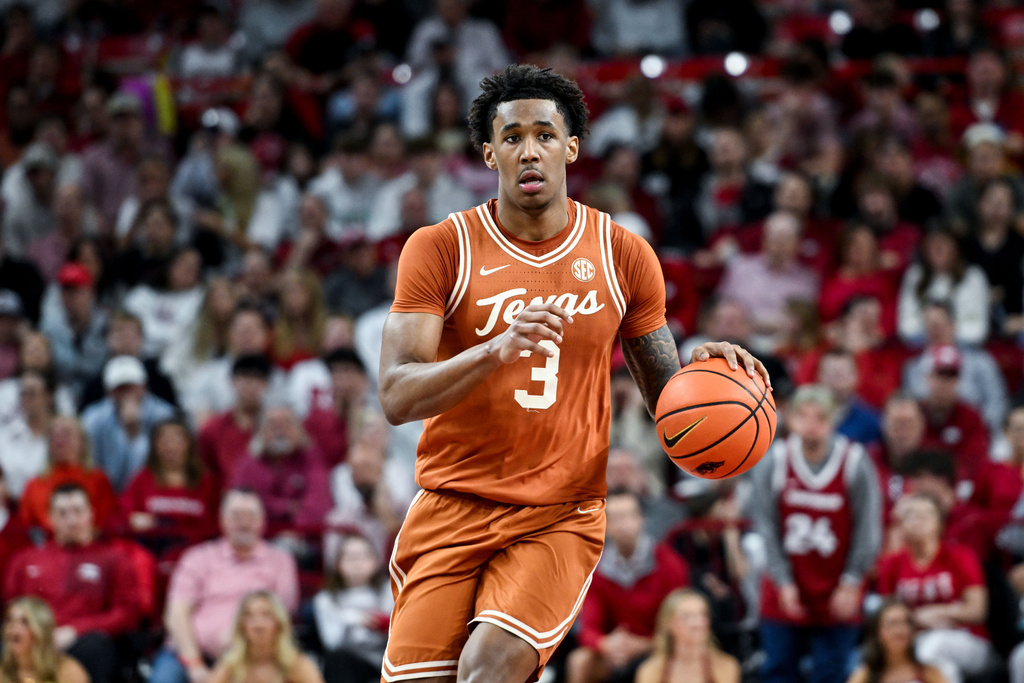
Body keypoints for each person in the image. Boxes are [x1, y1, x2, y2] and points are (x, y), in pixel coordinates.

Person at [377, 64, 769, 683]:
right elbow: (397, 394)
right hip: (452, 503)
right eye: (511, 138)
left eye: (545, 135)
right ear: (489, 154)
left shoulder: (623, 254)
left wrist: (710, 379)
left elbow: (670, 401)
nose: (529, 150)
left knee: (486, 670)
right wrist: (492, 351)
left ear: (572, 148)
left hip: (560, 510)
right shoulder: (441, 248)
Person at [751, 385, 882, 683]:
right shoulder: (775, 460)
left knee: (831, 673)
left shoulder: (854, 461)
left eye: (820, 417)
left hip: (837, 584)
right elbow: (766, 528)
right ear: (791, 418)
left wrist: (852, 581)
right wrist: (783, 581)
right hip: (786, 584)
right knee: (778, 671)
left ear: (834, 420)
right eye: (804, 416)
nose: (812, 425)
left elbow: (868, 528)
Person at [150, 489, 299, 683]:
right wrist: (195, 664)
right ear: (222, 520)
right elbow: (176, 614)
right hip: (188, 655)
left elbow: (282, 616)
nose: (244, 522)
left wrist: (240, 640)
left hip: (252, 657)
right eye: (236, 515)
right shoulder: (197, 557)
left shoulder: (280, 561)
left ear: (262, 521)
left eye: (250, 515)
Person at [4, 483, 142, 683]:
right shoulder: (25, 559)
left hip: (83, 642)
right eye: (62, 513)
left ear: (91, 514)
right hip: (31, 638)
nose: (71, 520)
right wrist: (36, 633)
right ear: (50, 517)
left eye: (78, 511)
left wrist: (76, 630)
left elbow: (127, 613)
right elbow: (11, 606)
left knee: (97, 647)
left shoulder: (114, 559)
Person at [566, 490, 690, 683]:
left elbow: (682, 621)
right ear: (605, 525)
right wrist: (606, 644)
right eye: (615, 518)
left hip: (658, 646)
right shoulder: (597, 569)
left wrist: (645, 644)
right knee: (579, 660)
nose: (623, 524)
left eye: (628, 516)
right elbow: (588, 628)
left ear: (641, 519)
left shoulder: (670, 563)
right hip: (616, 650)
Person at [876, 493, 996, 683]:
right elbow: (886, 616)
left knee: (931, 646)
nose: (919, 519)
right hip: (913, 638)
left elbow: (977, 611)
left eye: (926, 514)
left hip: (968, 639)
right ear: (901, 524)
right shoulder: (891, 563)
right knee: (933, 667)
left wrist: (938, 613)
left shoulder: (960, 556)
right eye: (911, 514)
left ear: (940, 523)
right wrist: (917, 619)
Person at [119, 419, 220, 552]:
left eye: (177, 440)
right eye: (164, 440)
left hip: (197, 553)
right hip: (151, 551)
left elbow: (216, 525)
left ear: (189, 443)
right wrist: (133, 521)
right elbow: (121, 516)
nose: (171, 446)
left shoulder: (207, 482)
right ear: (154, 445)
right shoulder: (142, 479)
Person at [81, 355, 178, 492]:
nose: (126, 394)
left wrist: (134, 433)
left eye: (131, 387)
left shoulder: (164, 415)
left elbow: (160, 467)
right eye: (120, 388)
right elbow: (94, 466)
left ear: (143, 387)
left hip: (155, 490)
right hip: (107, 491)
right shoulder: (93, 418)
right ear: (109, 392)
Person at [314, 534, 394, 683]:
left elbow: (398, 632)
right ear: (337, 564)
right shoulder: (325, 599)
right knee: (337, 659)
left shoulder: (390, 590)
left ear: (376, 561)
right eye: (351, 557)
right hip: (347, 662)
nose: (357, 563)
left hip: (386, 659)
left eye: (364, 556)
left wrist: (379, 624)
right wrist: (355, 620)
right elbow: (331, 643)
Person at [19, 415, 117, 535]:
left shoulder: (99, 480)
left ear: (82, 441)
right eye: (54, 435)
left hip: (92, 544)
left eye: (67, 433)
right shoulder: (34, 485)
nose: (59, 439)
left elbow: (107, 524)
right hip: (48, 545)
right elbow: (25, 528)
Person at [208, 590, 323, 683]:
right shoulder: (230, 666)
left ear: (279, 623)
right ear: (242, 625)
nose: (258, 624)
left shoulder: (297, 665)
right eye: (250, 616)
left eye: (266, 615)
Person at [634, 589, 741, 683]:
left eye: (702, 614)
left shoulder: (726, 667)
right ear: (668, 623)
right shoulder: (650, 671)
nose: (698, 623)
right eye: (687, 616)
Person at [845, 598, 948, 683]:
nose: (900, 630)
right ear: (877, 631)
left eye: (906, 622)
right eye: (893, 623)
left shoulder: (930, 673)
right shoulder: (864, 675)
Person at [0, 596, 89, 683]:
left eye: (24, 621)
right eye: (9, 620)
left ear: (41, 630)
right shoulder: (3, 673)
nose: (13, 626)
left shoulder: (68, 670)